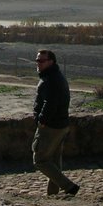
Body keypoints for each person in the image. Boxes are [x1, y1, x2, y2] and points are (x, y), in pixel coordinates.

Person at [32, 49, 79, 196]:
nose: (38, 63)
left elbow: (50, 103)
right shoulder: (54, 76)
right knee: (53, 161)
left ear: (51, 62)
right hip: (61, 125)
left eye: (41, 61)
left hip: (51, 126)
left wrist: (42, 121)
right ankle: (52, 195)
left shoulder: (51, 79)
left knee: (40, 160)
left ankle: (69, 187)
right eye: (37, 60)